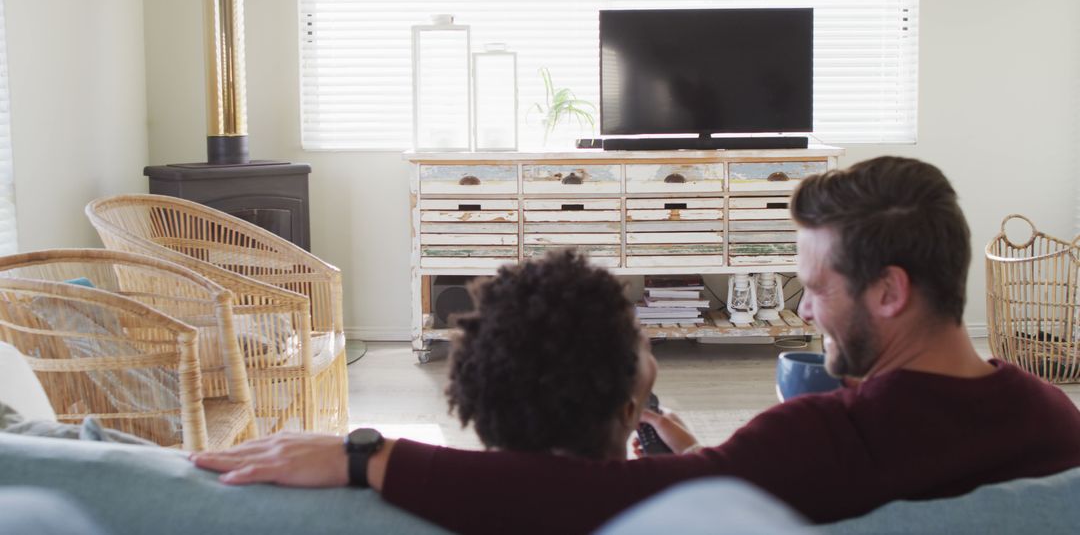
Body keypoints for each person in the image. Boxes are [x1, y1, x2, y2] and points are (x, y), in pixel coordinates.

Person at [192, 156, 1080, 535]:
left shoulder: (828, 439)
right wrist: (719, 463)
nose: (806, 312)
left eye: (815, 288)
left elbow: (594, 501)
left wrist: (369, 458)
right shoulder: (1052, 420)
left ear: (890, 291)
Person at [445, 248, 657, 460]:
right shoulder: (676, 485)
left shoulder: (459, 487)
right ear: (628, 411)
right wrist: (687, 454)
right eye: (641, 340)